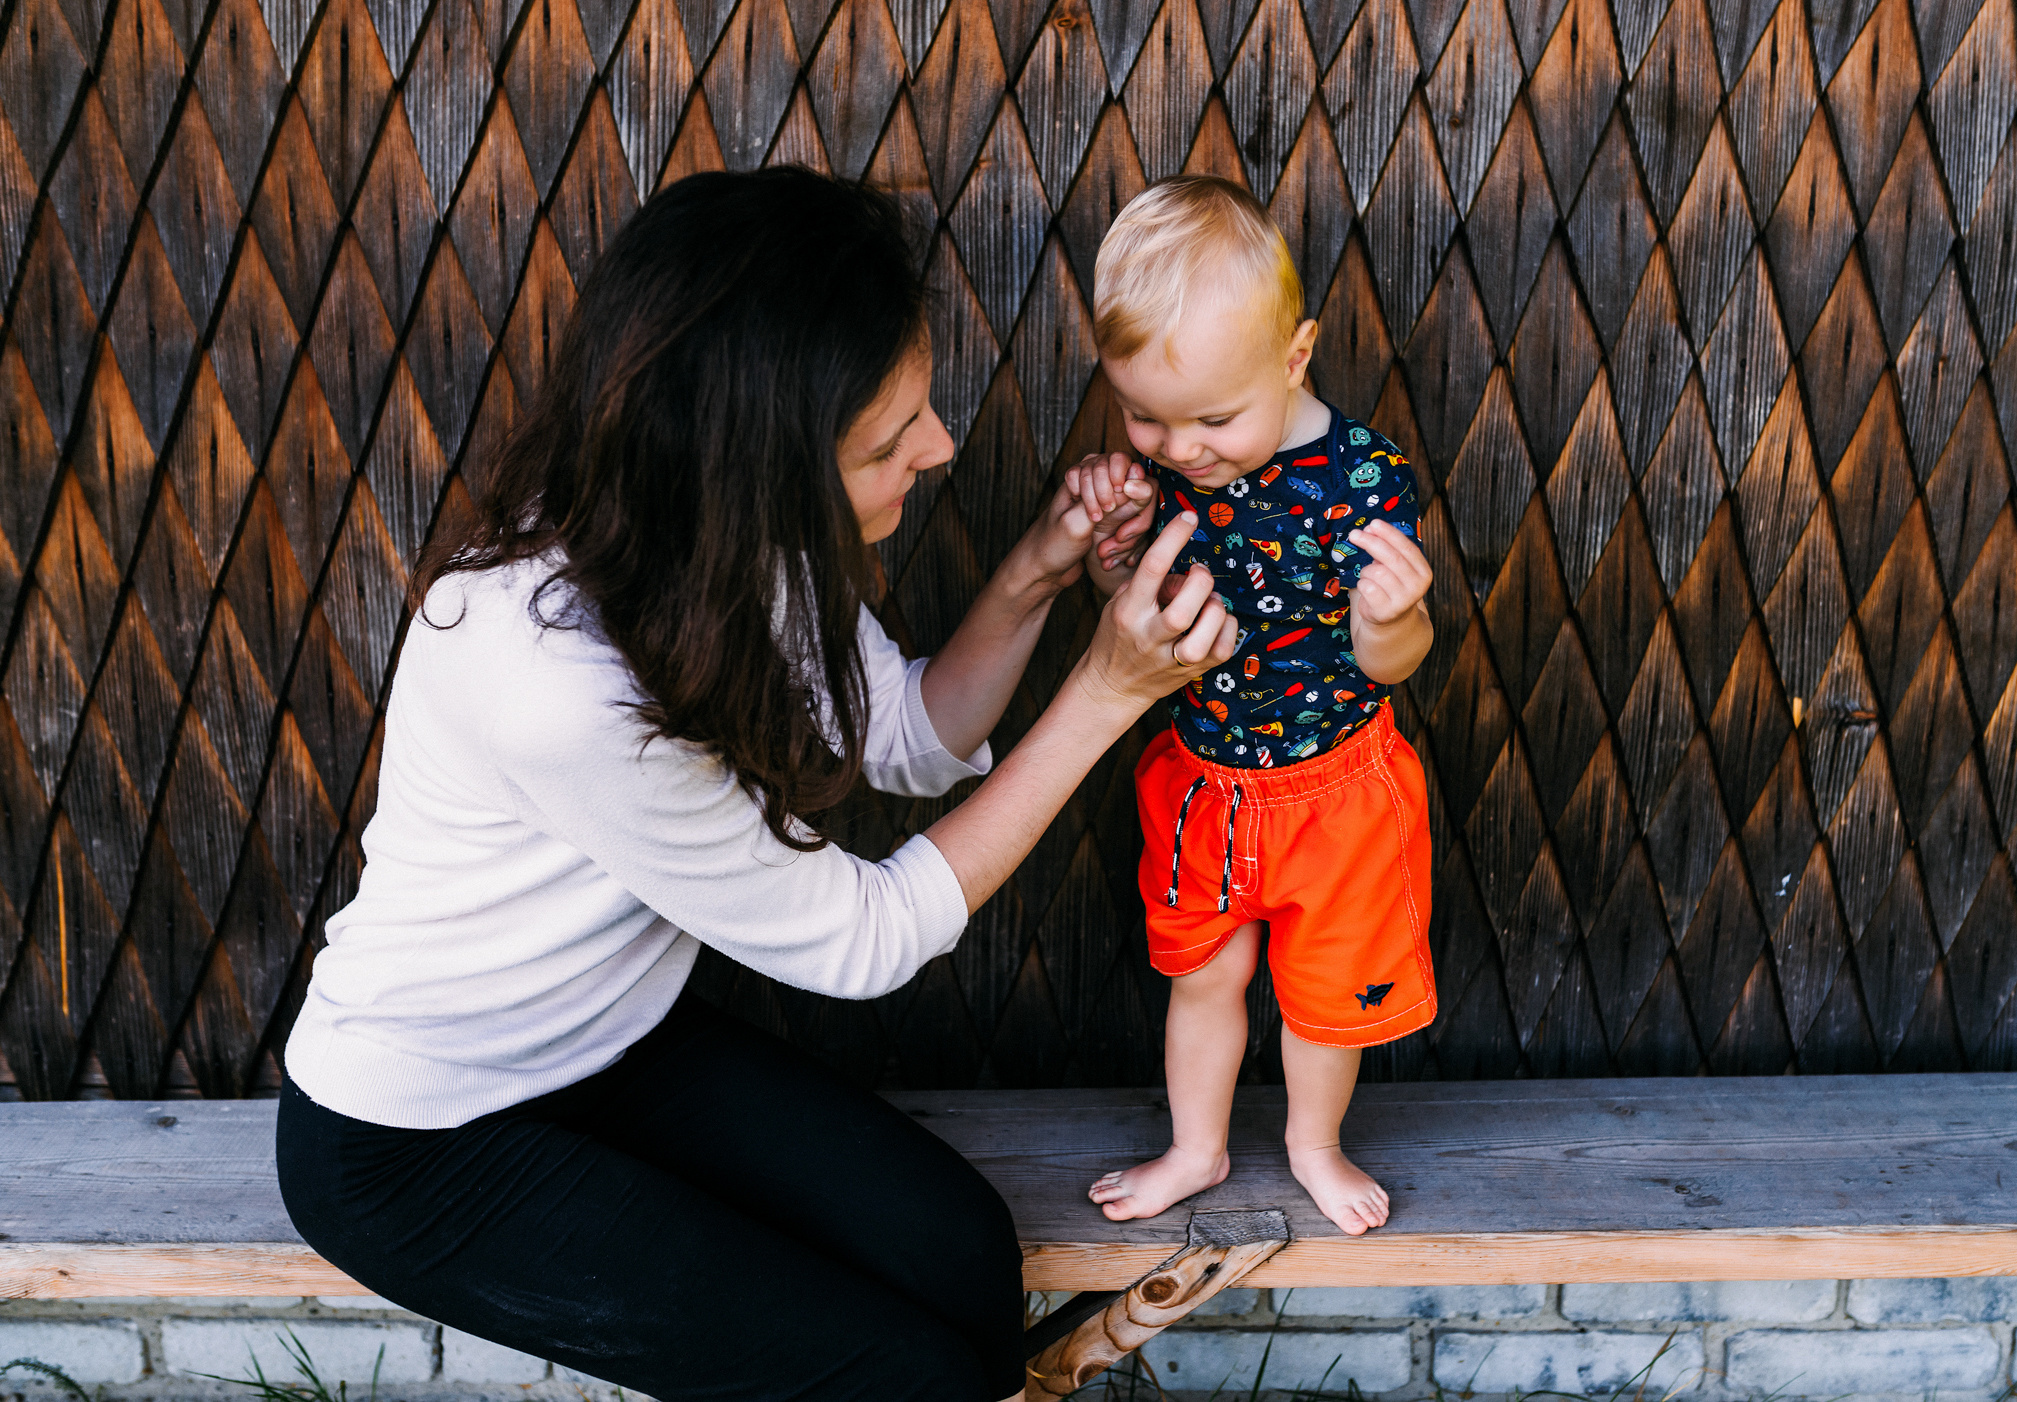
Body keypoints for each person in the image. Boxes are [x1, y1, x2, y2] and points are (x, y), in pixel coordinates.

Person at [273, 168, 1240, 1402]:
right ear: (760, 458)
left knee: (958, 1253)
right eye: (893, 440)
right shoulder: (556, 679)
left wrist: (1043, 569)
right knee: (901, 1378)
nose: (941, 449)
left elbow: (905, 731)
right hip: (419, 1143)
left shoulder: (711, 531)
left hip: (608, 1041)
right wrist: (1109, 692)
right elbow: (866, 939)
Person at [1066, 176, 1437, 1236]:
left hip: (1335, 792)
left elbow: (1395, 661)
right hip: (1206, 783)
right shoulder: (1168, 470)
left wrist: (1393, 615)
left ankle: (1314, 1144)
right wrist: (1109, 561)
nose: (1181, 449)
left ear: (1293, 355)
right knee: (1204, 976)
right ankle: (1197, 1148)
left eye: (1213, 420)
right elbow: (1141, 611)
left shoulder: (1362, 478)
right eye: (1145, 414)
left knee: (1326, 998)